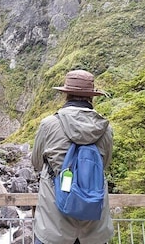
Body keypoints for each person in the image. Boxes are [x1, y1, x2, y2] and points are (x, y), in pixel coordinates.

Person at [31, 69, 114, 244]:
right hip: (93, 227)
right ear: (91, 97)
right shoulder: (105, 128)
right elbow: (104, 165)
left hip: (54, 224)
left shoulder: (49, 125)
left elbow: (36, 162)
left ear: (66, 95)